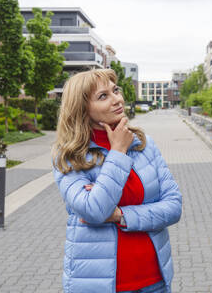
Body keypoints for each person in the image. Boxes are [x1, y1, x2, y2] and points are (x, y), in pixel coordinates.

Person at [52, 69, 182, 293]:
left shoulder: (144, 144)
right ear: (82, 109)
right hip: (98, 285)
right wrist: (118, 152)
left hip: (154, 281)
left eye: (115, 91)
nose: (117, 100)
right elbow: (94, 210)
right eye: (103, 96)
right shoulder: (67, 156)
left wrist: (121, 215)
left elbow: (173, 206)